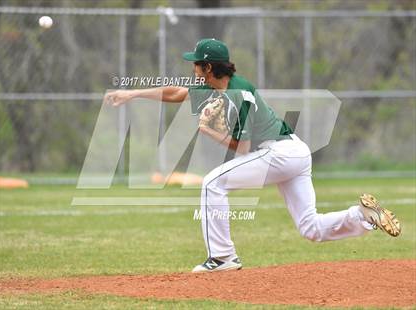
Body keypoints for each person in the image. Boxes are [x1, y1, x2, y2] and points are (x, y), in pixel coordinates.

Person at [105, 38, 401, 273]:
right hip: (295, 152)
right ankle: (362, 216)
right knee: (310, 228)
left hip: (280, 154)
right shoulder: (213, 84)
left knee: (212, 183)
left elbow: (242, 149)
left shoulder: (238, 95)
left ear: (208, 67)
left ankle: (222, 257)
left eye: (196, 64)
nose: (193, 68)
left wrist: (209, 131)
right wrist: (131, 94)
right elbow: (176, 93)